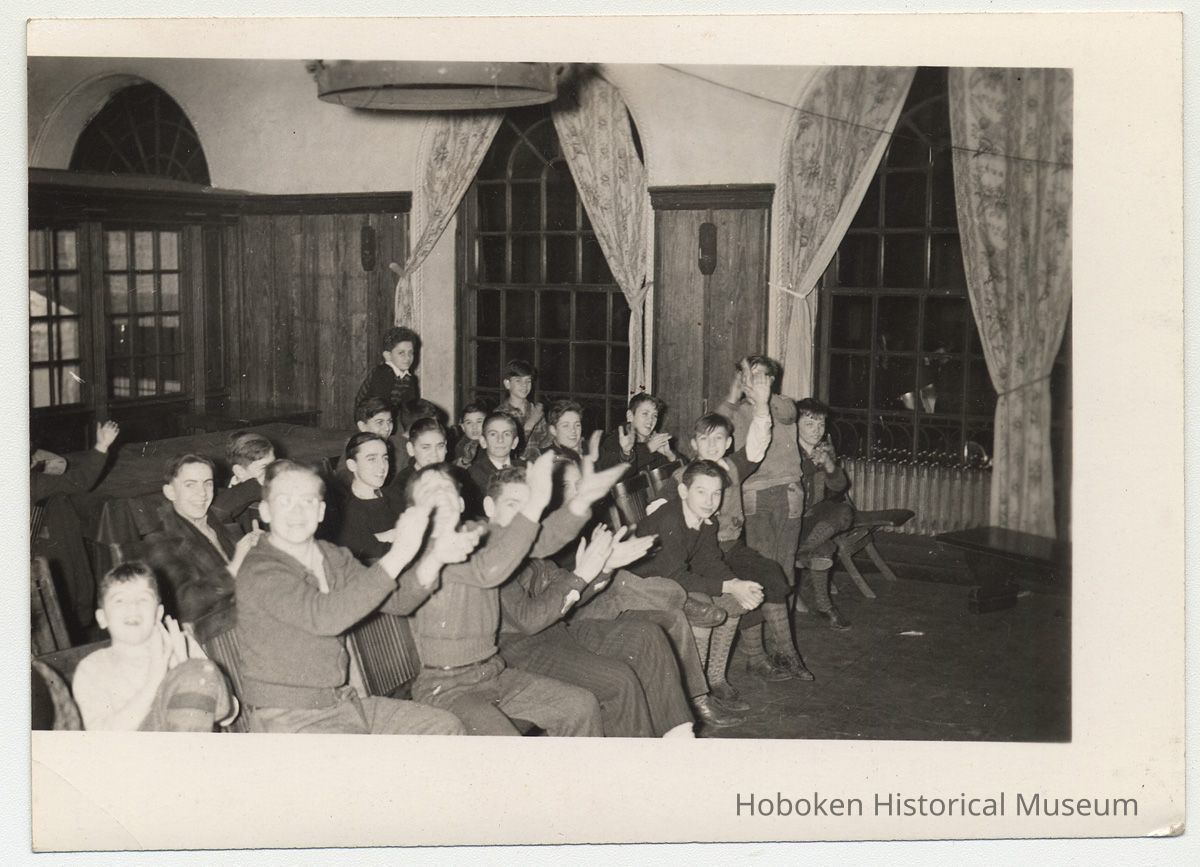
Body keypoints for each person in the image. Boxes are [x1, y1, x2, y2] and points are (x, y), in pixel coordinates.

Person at [235, 460, 476, 735]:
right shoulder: (259, 568)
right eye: (285, 501)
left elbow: (397, 602)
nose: (297, 512)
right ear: (266, 511)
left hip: (342, 705)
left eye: (308, 501)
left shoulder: (331, 555)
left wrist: (435, 558)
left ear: (321, 511)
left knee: (445, 727)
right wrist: (400, 553)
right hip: (288, 719)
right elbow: (324, 618)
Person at [404, 452, 627, 736]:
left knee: (580, 706)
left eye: (447, 490)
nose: (440, 498)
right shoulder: (424, 552)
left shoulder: (477, 535)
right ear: (414, 511)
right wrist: (534, 504)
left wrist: (581, 502)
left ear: (461, 503)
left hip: (491, 674)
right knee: (510, 752)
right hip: (446, 687)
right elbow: (489, 571)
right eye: (429, 493)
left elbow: (538, 542)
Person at [487, 467, 694, 738]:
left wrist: (604, 567)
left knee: (648, 635)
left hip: (557, 632)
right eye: (512, 505)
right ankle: (632, 765)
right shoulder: (489, 554)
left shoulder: (528, 544)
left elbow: (570, 590)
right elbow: (528, 620)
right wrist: (581, 574)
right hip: (521, 652)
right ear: (489, 507)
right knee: (618, 681)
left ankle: (679, 738)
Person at [677, 366, 815, 680]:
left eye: (719, 440)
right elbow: (662, 510)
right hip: (699, 555)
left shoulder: (731, 468)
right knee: (744, 586)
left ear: (728, 444)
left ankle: (787, 654)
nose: (712, 446)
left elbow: (757, 443)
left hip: (729, 546)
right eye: (704, 441)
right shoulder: (683, 476)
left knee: (772, 574)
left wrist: (762, 406)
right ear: (694, 445)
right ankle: (754, 656)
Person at [631, 460, 767, 716]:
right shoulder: (671, 519)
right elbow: (675, 575)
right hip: (640, 589)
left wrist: (736, 585)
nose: (710, 500)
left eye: (716, 493)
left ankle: (714, 679)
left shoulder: (705, 520)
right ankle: (695, 696)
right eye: (701, 491)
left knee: (734, 602)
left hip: (670, 582)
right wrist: (727, 585)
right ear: (683, 491)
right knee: (705, 607)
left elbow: (710, 561)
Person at [721, 355, 832, 619]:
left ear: (771, 380)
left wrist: (763, 397)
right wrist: (732, 397)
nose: (755, 381)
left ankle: (782, 627)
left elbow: (788, 414)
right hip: (754, 493)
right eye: (750, 375)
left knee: (785, 559)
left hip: (789, 490)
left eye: (762, 376)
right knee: (763, 563)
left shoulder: (783, 404)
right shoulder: (736, 411)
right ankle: (767, 628)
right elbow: (716, 427)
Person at [71, 562, 235, 732]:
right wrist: (156, 677)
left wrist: (184, 667)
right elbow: (102, 739)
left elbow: (227, 714)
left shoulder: (181, 644)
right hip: (136, 755)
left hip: (190, 747)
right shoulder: (92, 668)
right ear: (102, 617)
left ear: (158, 613)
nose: (133, 606)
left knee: (196, 671)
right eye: (119, 600)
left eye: (143, 598)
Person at [141, 455, 263, 642]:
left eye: (207, 483)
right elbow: (184, 605)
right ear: (170, 492)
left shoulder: (219, 522)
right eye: (190, 485)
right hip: (214, 638)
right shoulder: (161, 540)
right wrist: (232, 570)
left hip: (253, 620)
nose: (202, 493)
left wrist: (263, 552)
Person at [30, 419, 120, 636]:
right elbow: (81, 480)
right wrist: (101, 447)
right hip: (46, 550)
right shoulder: (35, 483)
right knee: (72, 585)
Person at [793, 398, 856, 630]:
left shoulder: (824, 449)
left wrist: (829, 465)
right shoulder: (787, 449)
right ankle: (825, 606)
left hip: (810, 517)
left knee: (844, 513)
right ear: (795, 425)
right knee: (824, 550)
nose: (817, 430)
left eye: (821, 424)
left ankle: (796, 555)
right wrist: (811, 464)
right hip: (788, 520)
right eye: (810, 424)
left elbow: (839, 487)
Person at [334, 433, 408, 565]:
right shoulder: (344, 511)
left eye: (385, 458)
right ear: (352, 465)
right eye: (371, 459)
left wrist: (382, 537)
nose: (382, 466)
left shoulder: (395, 495)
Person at [210, 430, 275, 534]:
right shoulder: (218, 497)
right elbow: (214, 516)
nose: (274, 471)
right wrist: (256, 484)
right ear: (240, 471)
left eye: (273, 464)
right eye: (264, 467)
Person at [596, 392, 677, 475]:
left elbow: (683, 474)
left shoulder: (653, 440)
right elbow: (616, 475)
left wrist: (670, 455)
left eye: (655, 415)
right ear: (630, 416)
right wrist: (648, 449)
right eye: (645, 414)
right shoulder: (613, 441)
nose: (650, 420)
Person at [466, 411, 526, 514]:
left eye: (506, 434)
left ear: (514, 442)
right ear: (483, 441)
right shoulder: (473, 474)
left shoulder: (526, 469)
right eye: (493, 434)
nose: (500, 440)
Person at [354, 325, 420, 418]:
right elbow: (378, 406)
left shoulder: (409, 378)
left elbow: (409, 407)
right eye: (401, 353)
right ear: (388, 356)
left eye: (410, 352)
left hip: (388, 415)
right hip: (369, 416)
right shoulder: (383, 373)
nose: (408, 357)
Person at [495, 359, 549, 460]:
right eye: (518, 380)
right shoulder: (500, 414)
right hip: (514, 470)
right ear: (507, 384)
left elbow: (543, 442)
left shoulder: (535, 410)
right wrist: (531, 423)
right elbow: (511, 451)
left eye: (528, 381)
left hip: (536, 467)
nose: (524, 385)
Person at [390, 417, 450, 496]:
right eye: (426, 447)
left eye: (440, 446)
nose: (434, 454)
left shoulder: (453, 475)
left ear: (446, 446)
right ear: (411, 449)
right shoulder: (402, 485)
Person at [543, 399, 585, 465]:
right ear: (553, 430)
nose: (573, 430)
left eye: (577, 425)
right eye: (566, 426)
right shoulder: (545, 459)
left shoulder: (590, 452)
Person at [452, 401, 489, 469]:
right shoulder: (461, 447)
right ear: (463, 427)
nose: (474, 427)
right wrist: (466, 460)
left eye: (479, 421)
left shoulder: (493, 441)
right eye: (469, 423)